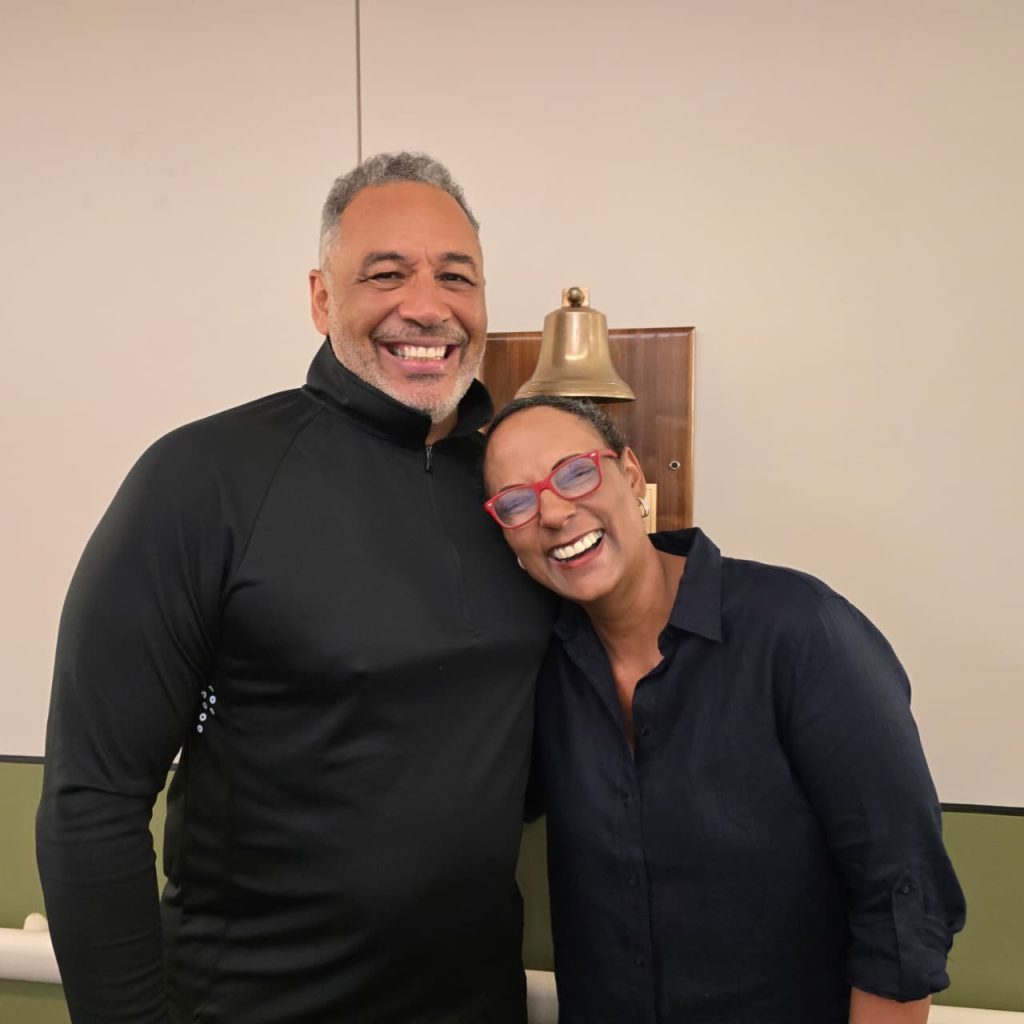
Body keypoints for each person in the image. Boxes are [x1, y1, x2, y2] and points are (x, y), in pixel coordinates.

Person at [36, 153, 555, 1024]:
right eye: (384, 274)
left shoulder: (517, 493)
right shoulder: (204, 480)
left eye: (454, 275)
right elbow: (91, 803)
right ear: (321, 299)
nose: (425, 305)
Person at [482, 395, 966, 1024]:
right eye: (516, 501)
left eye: (576, 472)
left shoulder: (797, 629)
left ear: (631, 476)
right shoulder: (540, 670)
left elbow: (903, 897)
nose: (551, 511)